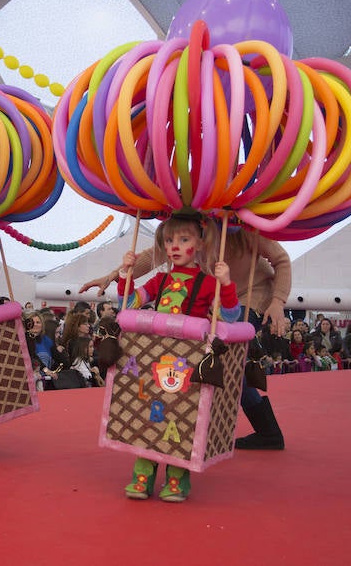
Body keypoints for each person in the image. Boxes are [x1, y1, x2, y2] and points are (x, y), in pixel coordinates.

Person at [81, 227, 291, 452]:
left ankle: (212, 426)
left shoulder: (244, 228)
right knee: (229, 369)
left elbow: (281, 260)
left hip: (249, 298)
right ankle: (265, 431)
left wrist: (278, 301)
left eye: (182, 239)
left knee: (223, 360)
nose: (176, 244)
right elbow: (156, 254)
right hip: (216, 301)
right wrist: (114, 275)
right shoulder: (197, 226)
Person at [116, 214, 241, 502]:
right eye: (170, 240)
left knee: (181, 417)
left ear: (199, 244)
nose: (174, 246)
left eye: (183, 239)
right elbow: (131, 302)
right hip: (154, 356)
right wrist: (126, 275)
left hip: (188, 360)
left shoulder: (210, 283)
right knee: (148, 414)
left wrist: (227, 283)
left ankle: (176, 479)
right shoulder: (160, 279)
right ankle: (142, 475)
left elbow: (230, 317)